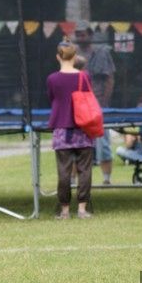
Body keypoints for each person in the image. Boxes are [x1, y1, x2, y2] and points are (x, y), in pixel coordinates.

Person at [47, 37, 95, 219]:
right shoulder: (84, 76)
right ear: (75, 56)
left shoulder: (52, 79)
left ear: (58, 57)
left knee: (64, 171)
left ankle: (65, 210)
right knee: (85, 169)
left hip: (62, 129)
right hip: (84, 127)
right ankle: (82, 209)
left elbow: (52, 99)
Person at [74, 21, 115, 184]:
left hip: (97, 104)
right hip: (78, 104)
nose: (80, 37)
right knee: (75, 143)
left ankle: (106, 179)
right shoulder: (72, 54)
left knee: (103, 142)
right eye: (77, 35)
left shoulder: (102, 53)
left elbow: (109, 78)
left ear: (90, 35)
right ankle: (74, 180)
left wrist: (104, 102)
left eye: (82, 34)